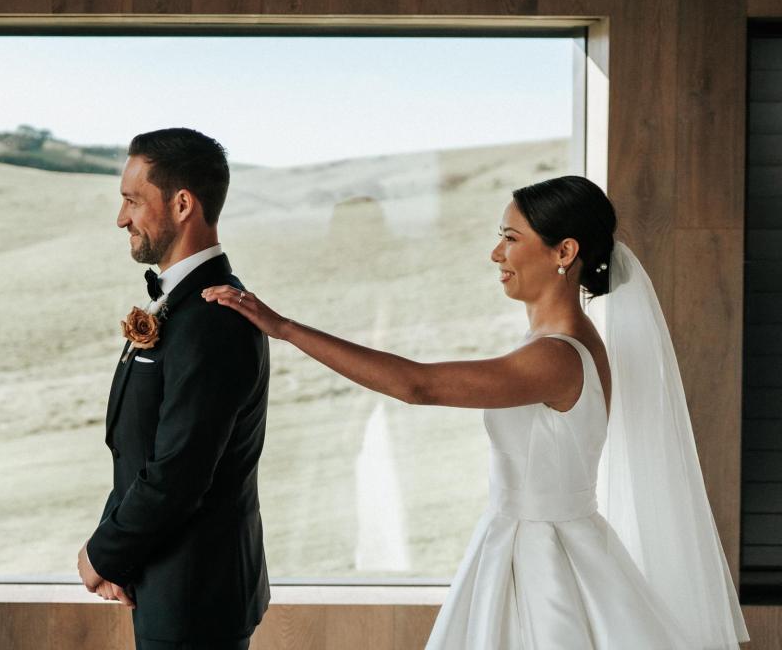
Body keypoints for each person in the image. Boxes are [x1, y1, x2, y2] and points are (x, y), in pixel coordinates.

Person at [203, 175, 749, 649]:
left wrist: (286, 329)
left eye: (511, 238)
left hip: (545, 566)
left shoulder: (557, 357)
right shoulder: (563, 343)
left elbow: (418, 386)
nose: (496, 254)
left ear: (564, 253)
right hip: (525, 545)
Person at [77, 128, 271, 650]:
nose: (122, 218)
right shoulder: (182, 305)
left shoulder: (215, 319)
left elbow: (179, 472)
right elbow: (138, 446)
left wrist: (102, 553)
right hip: (169, 585)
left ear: (183, 204)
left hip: (196, 598)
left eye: (132, 201)